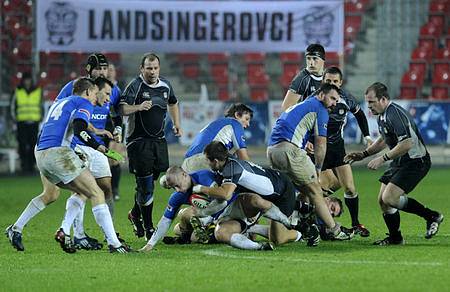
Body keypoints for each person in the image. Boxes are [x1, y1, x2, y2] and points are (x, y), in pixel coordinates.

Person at [5, 77, 131, 253]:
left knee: (67, 192)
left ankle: (22, 228)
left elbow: (71, 125)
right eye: (95, 93)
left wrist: (96, 131)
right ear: (88, 92)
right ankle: (114, 244)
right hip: (59, 153)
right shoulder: (84, 102)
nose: (96, 97)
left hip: (41, 153)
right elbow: (79, 128)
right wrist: (100, 146)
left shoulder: (62, 102)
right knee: (96, 192)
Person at [344, 82, 444, 245]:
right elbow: (384, 139)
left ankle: (432, 216)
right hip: (400, 161)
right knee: (383, 201)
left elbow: (407, 143)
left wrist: (382, 159)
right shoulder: (383, 115)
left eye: (371, 102)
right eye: (367, 102)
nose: (368, 106)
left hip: (415, 161)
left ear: (383, 99)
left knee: (390, 197)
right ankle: (395, 238)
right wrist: (363, 154)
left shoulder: (394, 114)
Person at [267, 83, 354, 240]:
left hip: (273, 151)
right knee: (316, 190)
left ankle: (291, 225)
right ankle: (334, 230)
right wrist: (318, 168)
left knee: (291, 192)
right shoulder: (320, 109)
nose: (335, 103)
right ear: (321, 95)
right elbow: (321, 143)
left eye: (337, 100)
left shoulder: (304, 104)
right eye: (332, 98)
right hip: (290, 150)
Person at [56, 53, 123, 250]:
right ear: (88, 70)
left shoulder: (111, 88)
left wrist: (117, 130)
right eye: (98, 68)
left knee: (106, 187)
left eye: (105, 68)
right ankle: (79, 233)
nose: (102, 72)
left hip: (98, 145)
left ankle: (109, 232)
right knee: (83, 188)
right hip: (78, 143)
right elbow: (60, 108)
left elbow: (117, 112)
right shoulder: (75, 87)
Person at [194, 141, 314, 251]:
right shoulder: (226, 165)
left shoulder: (231, 168)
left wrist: (202, 189)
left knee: (278, 239)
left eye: (208, 160)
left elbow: (225, 194)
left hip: (282, 192)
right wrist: (205, 214)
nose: (207, 164)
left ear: (215, 161)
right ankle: (299, 208)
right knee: (255, 202)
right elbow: (224, 199)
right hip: (270, 191)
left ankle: (302, 231)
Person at [119, 52, 182, 241]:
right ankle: (148, 228)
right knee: (146, 187)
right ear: (142, 69)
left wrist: (176, 123)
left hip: (159, 141)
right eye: (149, 68)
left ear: (159, 68)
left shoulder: (165, 85)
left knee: (150, 183)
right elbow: (121, 109)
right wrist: (138, 107)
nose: (152, 72)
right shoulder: (135, 86)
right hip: (138, 142)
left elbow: (173, 102)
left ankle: (135, 214)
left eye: (155, 68)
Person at [313, 66, 372, 237]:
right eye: (328, 81)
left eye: (335, 81)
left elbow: (360, 115)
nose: (331, 84)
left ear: (340, 83)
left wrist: (367, 137)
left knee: (350, 188)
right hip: (318, 148)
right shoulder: (314, 99)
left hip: (338, 148)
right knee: (318, 189)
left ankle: (356, 224)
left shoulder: (346, 98)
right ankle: (319, 226)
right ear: (323, 80)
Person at [139, 166, 236, 252]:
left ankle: (212, 231)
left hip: (232, 211)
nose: (177, 190)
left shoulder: (204, 177)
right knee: (177, 229)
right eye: (173, 187)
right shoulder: (177, 196)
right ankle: (198, 234)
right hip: (211, 217)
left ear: (184, 175)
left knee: (188, 217)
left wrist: (204, 215)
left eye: (177, 185)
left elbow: (222, 201)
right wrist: (150, 244)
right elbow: (165, 220)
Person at [159, 103, 253, 189]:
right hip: (204, 161)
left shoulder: (218, 123)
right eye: (246, 119)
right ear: (237, 115)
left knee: (199, 201)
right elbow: (243, 157)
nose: (248, 124)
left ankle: (169, 181)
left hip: (187, 165)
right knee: (222, 196)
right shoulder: (235, 124)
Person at [10, 72, 43, 174]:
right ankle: (24, 165)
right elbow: (12, 107)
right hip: (21, 122)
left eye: (28, 79)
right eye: (26, 79)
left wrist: (40, 118)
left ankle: (31, 165)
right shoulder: (17, 91)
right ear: (23, 80)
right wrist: (15, 119)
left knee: (33, 144)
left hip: (34, 122)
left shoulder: (38, 91)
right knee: (22, 144)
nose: (27, 81)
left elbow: (41, 106)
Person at [281, 43, 325, 111]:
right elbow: (286, 107)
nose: (311, 63)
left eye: (314, 58)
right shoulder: (302, 79)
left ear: (323, 59)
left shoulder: (328, 77)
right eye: (308, 58)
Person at [106, 63, 125, 201]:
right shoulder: (97, 87)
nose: (108, 72)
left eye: (111, 69)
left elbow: (120, 111)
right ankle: (105, 189)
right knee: (105, 158)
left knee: (114, 158)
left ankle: (115, 188)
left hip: (114, 126)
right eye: (107, 69)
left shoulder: (117, 90)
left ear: (115, 73)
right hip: (101, 126)